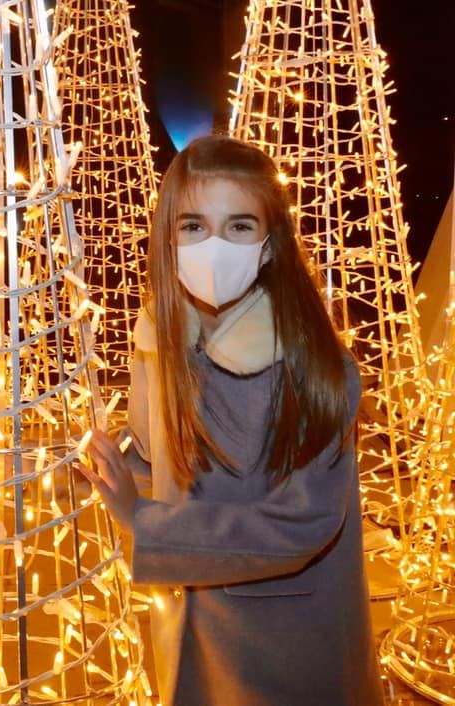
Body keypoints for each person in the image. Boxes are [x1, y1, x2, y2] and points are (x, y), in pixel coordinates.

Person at [80, 135, 383, 705]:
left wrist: (142, 520)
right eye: (193, 225)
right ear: (168, 238)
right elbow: (152, 452)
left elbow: (305, 522)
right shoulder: (160, 341)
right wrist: (99, 466)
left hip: (277, 643)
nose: (212, 246)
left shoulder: (312, 367)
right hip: (190, 622)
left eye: (238, 226)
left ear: (268, 246)